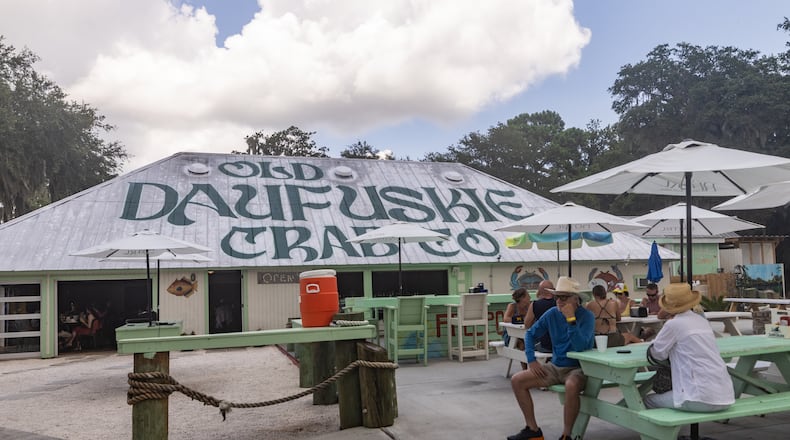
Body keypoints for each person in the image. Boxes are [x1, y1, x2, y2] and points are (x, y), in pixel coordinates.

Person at [508, 276, 595, 440]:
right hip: (555, 367)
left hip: (579, 368)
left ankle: (566, 435)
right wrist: (531, 360)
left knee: (571, 385)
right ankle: (533, 430)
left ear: (576, 300)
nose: (559, 301)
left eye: (564, 297)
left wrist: (571, 320)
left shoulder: (587, 316)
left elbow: (581, 346)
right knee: (517, 380)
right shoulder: (552, 314)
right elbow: (530, 334)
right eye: (557, 297)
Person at [643, 283, 734, 412]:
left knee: (647, 400)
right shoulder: (702, 321)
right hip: (725, 395)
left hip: (697, 397)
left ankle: (662, 431)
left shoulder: (673, 324)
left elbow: (657, 354)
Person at [523, 280, 556, 353]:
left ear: (539, 291)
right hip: (560, 344)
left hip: (545, 345)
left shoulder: (535, 305)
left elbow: (527, 324)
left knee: (525, 348)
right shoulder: (560, 304)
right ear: (553, 290)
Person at [504, 287, 531, 369]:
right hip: (511, 335)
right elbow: (506, 319)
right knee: (522, 345)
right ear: (522, 298)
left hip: (526, 333)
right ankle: (525, 369)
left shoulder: (530, 307)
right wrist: (519, 320)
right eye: (528, 296)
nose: (530, 297)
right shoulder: (512, 306)